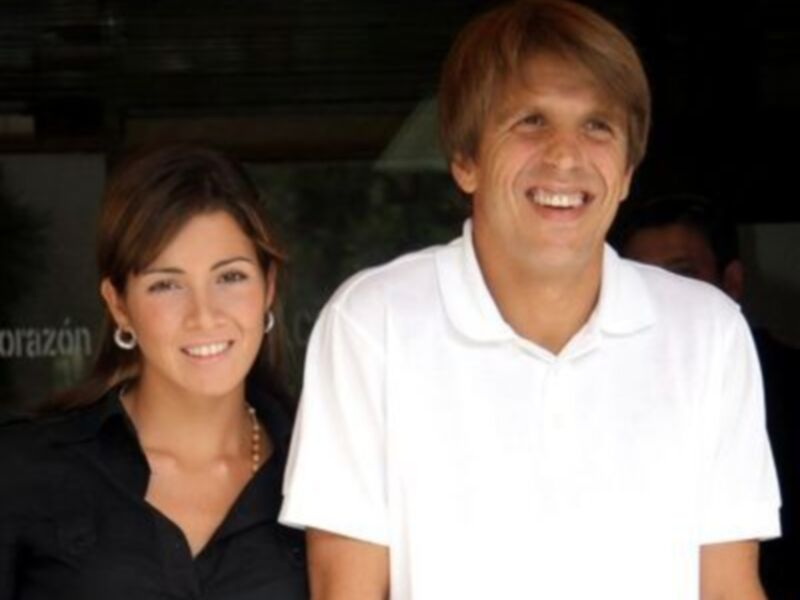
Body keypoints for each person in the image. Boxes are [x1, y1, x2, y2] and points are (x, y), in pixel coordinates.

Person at [279, 1, 781, 599]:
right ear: (465, 161)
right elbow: (347, 589)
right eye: (531, 122)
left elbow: (727, 587)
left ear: (625, 173)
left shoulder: (709, 331)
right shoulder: (373, 322)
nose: (566, 156)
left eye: (598, 126)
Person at [0, 145, 308, 599]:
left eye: (231, 277)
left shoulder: (320, 472)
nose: (204, 315)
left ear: (268, 288)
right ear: (119, 305)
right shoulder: (24, 470)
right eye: (166, 284)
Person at [614, 192, 800, 600]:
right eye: (642, 278)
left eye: (681, 276)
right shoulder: (602, 379)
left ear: (731, 282)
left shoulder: (788, 384)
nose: (663, 294)